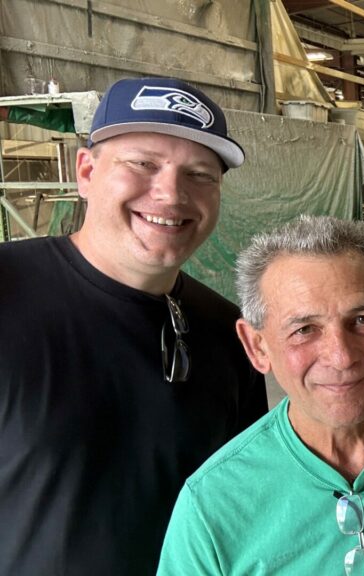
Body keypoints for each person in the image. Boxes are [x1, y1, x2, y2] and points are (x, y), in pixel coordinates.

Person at [0, 77, 268, 574]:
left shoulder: (225, 330)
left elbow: (241, 495)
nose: (171, 193)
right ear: (85, 171)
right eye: (143, 164)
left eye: (200, 174)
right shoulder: (8, 291)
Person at [157, 215, 364, 576]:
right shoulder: (212, 503)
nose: (341, 356)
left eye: (361, 319)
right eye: (304, 329)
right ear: (257, 346)